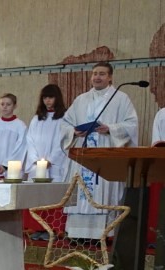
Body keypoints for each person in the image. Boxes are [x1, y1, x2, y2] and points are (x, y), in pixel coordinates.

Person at [61, 62, 139, 239]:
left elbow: (131, 124)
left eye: (102, 74)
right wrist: (74, 131)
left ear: (110, 77)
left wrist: (110, 128)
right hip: (83, 154)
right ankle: (77, 234)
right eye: (95, 73)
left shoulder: (120, 98)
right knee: (81, 192)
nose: (97, 77)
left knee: (104, 193)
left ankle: (104, 234)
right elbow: (65, 123)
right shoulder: (81, 99)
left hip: (106, 153)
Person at [25, 84, 69, 181]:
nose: (47, 100)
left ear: (57, 98)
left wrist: (51, 160)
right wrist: (34, 159)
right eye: (45, 98)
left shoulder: (64, 118)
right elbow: (30, 140)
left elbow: (63, 140)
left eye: (51, 97)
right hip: (37, 164)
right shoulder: (37, 118)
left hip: (55, 165)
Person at [0, 93, 27, 179]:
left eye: (8, 104)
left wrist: (5, 166)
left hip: (11, 171)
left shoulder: (20, 126)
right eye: (2, 104)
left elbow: (20, 148)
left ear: (15, 106)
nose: (5, 107)